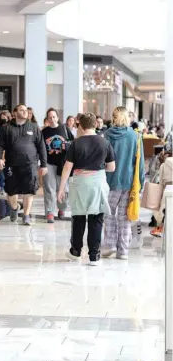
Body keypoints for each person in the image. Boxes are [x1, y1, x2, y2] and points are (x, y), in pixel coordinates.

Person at [58, 113, 116, 266]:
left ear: (80, 126)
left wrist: (61, 189)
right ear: (95, 125)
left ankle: (76, 252)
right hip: (98, 183)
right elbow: (111, 167)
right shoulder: (104, 142)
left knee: (78, 218)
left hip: (80, 183)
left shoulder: (76, 143)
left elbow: (67, 168)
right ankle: (94, 256)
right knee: (96, 219)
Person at [0, 104, 48, 225]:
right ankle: (14, 208)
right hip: (12, 165)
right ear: (15, 112)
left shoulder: (33, 127)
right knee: (11, 192)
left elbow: (41, 146)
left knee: (30, 191)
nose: (24, 112)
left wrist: (43, 164)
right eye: (21, 110)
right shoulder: (7, 128)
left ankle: (26, 215)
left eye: (26, 111)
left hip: (30, 165)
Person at [102, 106, 145, 260]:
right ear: (127, 117)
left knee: (109, 214)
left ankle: (110, 245)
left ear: (114, 117)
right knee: (125, 217)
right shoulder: (135, 136)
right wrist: (141, 181)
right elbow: (139, 162)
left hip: (110, 180)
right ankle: (123, 251)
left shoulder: (106, 135)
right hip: (128, 181)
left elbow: (103, 159)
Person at [41, 108, 70, 223]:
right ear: (47, 119)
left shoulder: (64, 128)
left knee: (63, 188)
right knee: (49, 188)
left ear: (57, 118)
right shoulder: (44, 132)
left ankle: (62, 208)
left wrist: (66, 146)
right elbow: (41, 147)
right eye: (50, 117)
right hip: (49, 163)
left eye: (54, 116)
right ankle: (50, 212)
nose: (52, 119)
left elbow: (72, 143)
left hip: (62, 163)